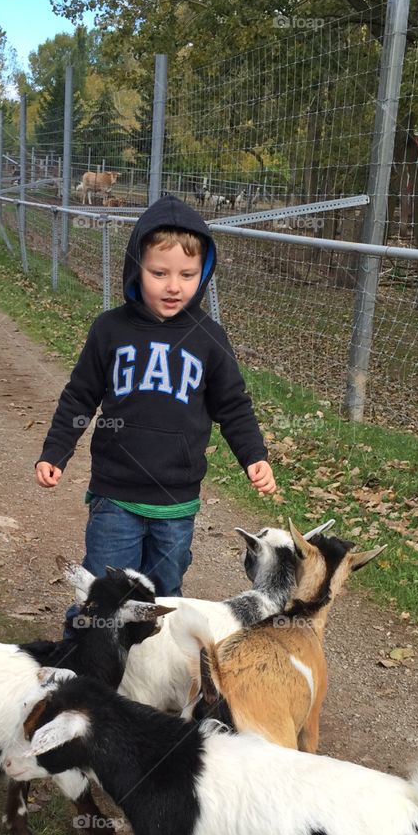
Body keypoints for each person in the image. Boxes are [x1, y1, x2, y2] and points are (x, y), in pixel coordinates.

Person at [35, 195, 276, 597]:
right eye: (159, 273)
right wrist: (55, 452)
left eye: (187, 274)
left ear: (204, 272)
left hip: (176, 502)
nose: (173, 286)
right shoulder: (110, 330)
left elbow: (233, 405)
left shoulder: (209, 338)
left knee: (164, 595)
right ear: (136, 267)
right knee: (106, 593)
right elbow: (79, 396)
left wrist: (254, 455)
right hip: (115, 494)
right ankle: (86, 640)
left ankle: (154, 643)